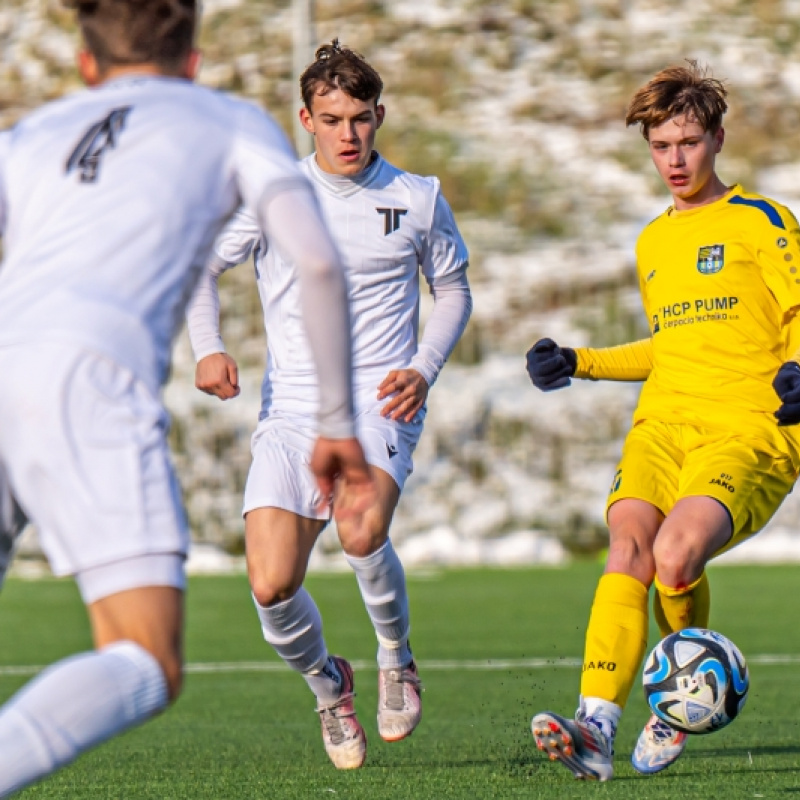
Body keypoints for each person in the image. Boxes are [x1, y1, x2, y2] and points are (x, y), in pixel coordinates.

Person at [0, 3, 372, 795]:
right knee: (144, 657)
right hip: (88, 383)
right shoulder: (227, 119)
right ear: (195, 60)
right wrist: (337, 423)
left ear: (86, 63)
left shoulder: (30, 135)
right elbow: (315, 265)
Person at [186, 40, 472, 770]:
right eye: (333, 118)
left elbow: (454, 292)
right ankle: (328, 685)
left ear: (380, 116)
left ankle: (395, 656)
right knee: (271, 585)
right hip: (289, 415)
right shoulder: (274, 197)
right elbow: (200, 269)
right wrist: (208, 347)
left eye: (362, 119)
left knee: (359, 527)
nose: (349, 134)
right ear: (306, 119)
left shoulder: (415, 197)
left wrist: (423, 368)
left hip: (379, 405)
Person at [525, 61, 800, 781]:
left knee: (677, 557)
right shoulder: (652, 241)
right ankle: (595, 726)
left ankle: (678, 701)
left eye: (687, 142)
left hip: (750, 427)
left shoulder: (763, 222)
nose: (674, 160)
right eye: (659, 146)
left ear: (717, 138)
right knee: (629, 548)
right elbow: (670, 346)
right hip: (663, 424)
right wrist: (578, 360)